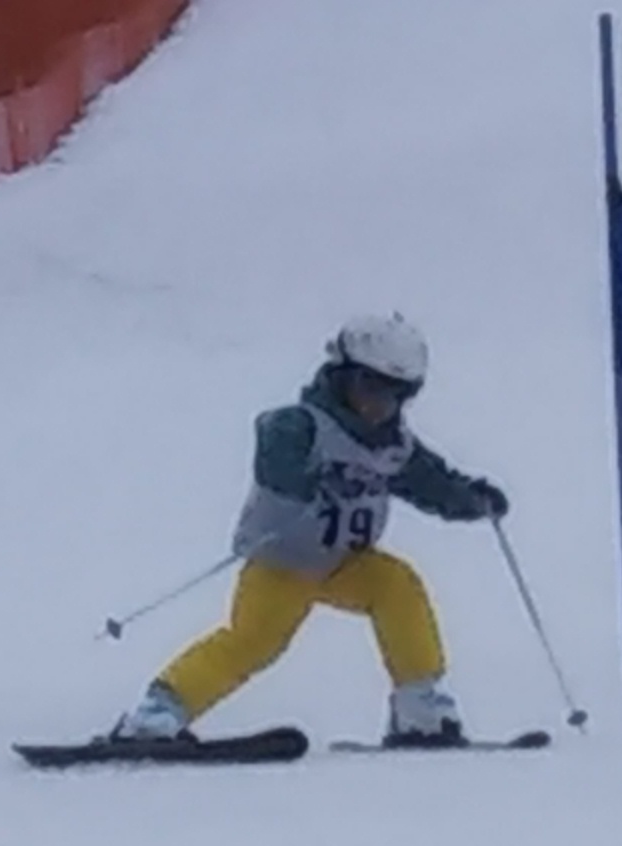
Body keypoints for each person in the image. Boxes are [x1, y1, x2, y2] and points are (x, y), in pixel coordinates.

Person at [111, 313, 509, 747]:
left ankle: (420, 709)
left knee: (399, 587)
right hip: (282, 563)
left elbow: (432, 483)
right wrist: (311, 479)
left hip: (346, 563)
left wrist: (471, 499)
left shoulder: (394, 447)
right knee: (254, 642)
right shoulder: (301, 425)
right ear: (342, 376)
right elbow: (276, 457)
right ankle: (157, 713)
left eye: (396, 394)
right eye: (369, 386)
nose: (380, 403)